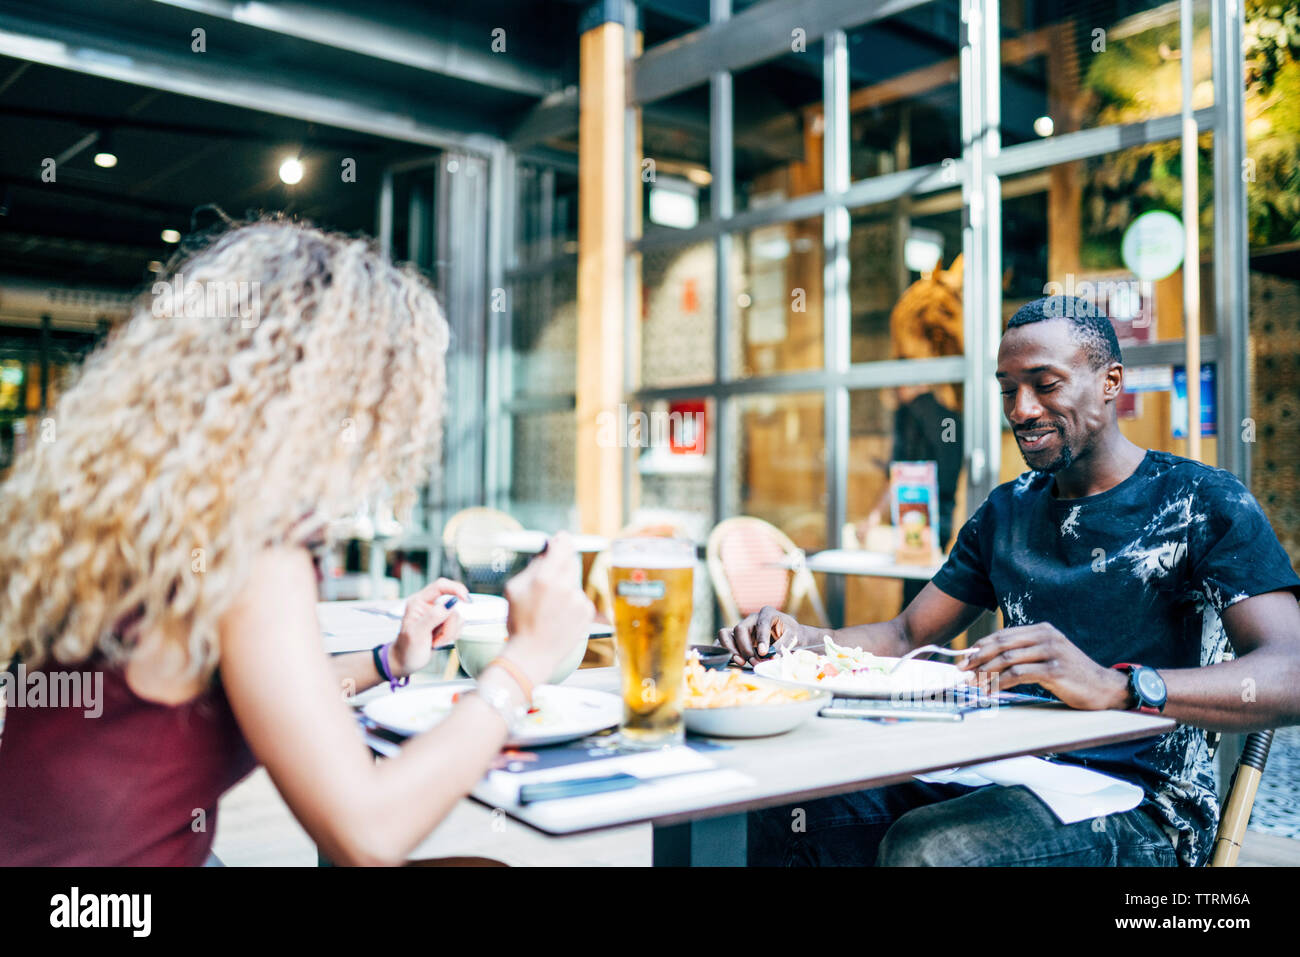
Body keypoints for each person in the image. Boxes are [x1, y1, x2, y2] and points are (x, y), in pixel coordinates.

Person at [0, 220, 593, 866]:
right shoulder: (250, 553)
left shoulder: (145, 514)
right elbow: (368, 834)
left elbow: (264, 694)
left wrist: (392, 658)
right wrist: (525, 659)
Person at [720, 295, 1300, 867]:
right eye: (1007, 389)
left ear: (1110, 381)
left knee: (932, 850)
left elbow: (1290, 672)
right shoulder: (1007, 511)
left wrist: (1119, 687)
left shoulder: (1200, 501)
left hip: (1144, 805)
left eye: (1044, 385)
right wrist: (799, 641)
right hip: (998, 765)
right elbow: (903, 633)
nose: (1020, 409)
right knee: (776, 807)